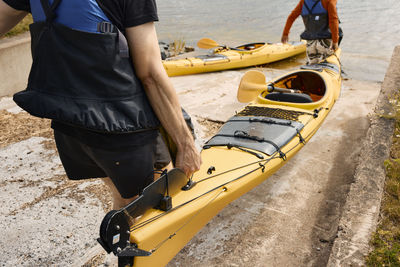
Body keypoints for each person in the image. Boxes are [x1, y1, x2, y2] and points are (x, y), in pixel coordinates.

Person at [0, 0, 201, 211]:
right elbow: (150, 74)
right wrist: (186, 145)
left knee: (124, 202)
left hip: (69, 125)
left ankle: (120, 240)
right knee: (154, 201)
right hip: (122, 126)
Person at [281, 0, 343, 64]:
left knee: (312, 64)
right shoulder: (329, 1)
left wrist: (285, 34)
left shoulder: (303, 1)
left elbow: (291, 17)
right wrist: (335, 41)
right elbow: (333, 20)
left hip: (310, 42)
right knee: (340, 32)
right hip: (325, 43)